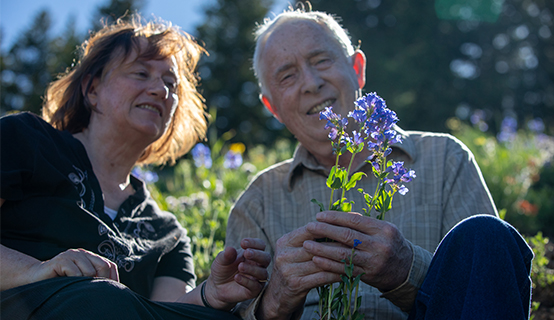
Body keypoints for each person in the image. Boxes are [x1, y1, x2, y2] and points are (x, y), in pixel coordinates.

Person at [225, 6, 534, 320]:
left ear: (357, 68)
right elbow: (231, 311)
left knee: (487, 234)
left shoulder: (445, 159)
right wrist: (275, 301)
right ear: (272, 107)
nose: (311, 82)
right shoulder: (258, 202)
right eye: (287, 76)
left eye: (322, 60)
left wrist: (405, 269)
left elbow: (487, 284)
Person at [0, 14, 270, 320]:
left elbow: (165, 313)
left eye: (171, 83)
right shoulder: (24, 139)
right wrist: (37, 270)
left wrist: (210, 295)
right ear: (92, 89)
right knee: (102, 298)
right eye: (141, 73)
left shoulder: (166, 232)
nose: (161, 90)